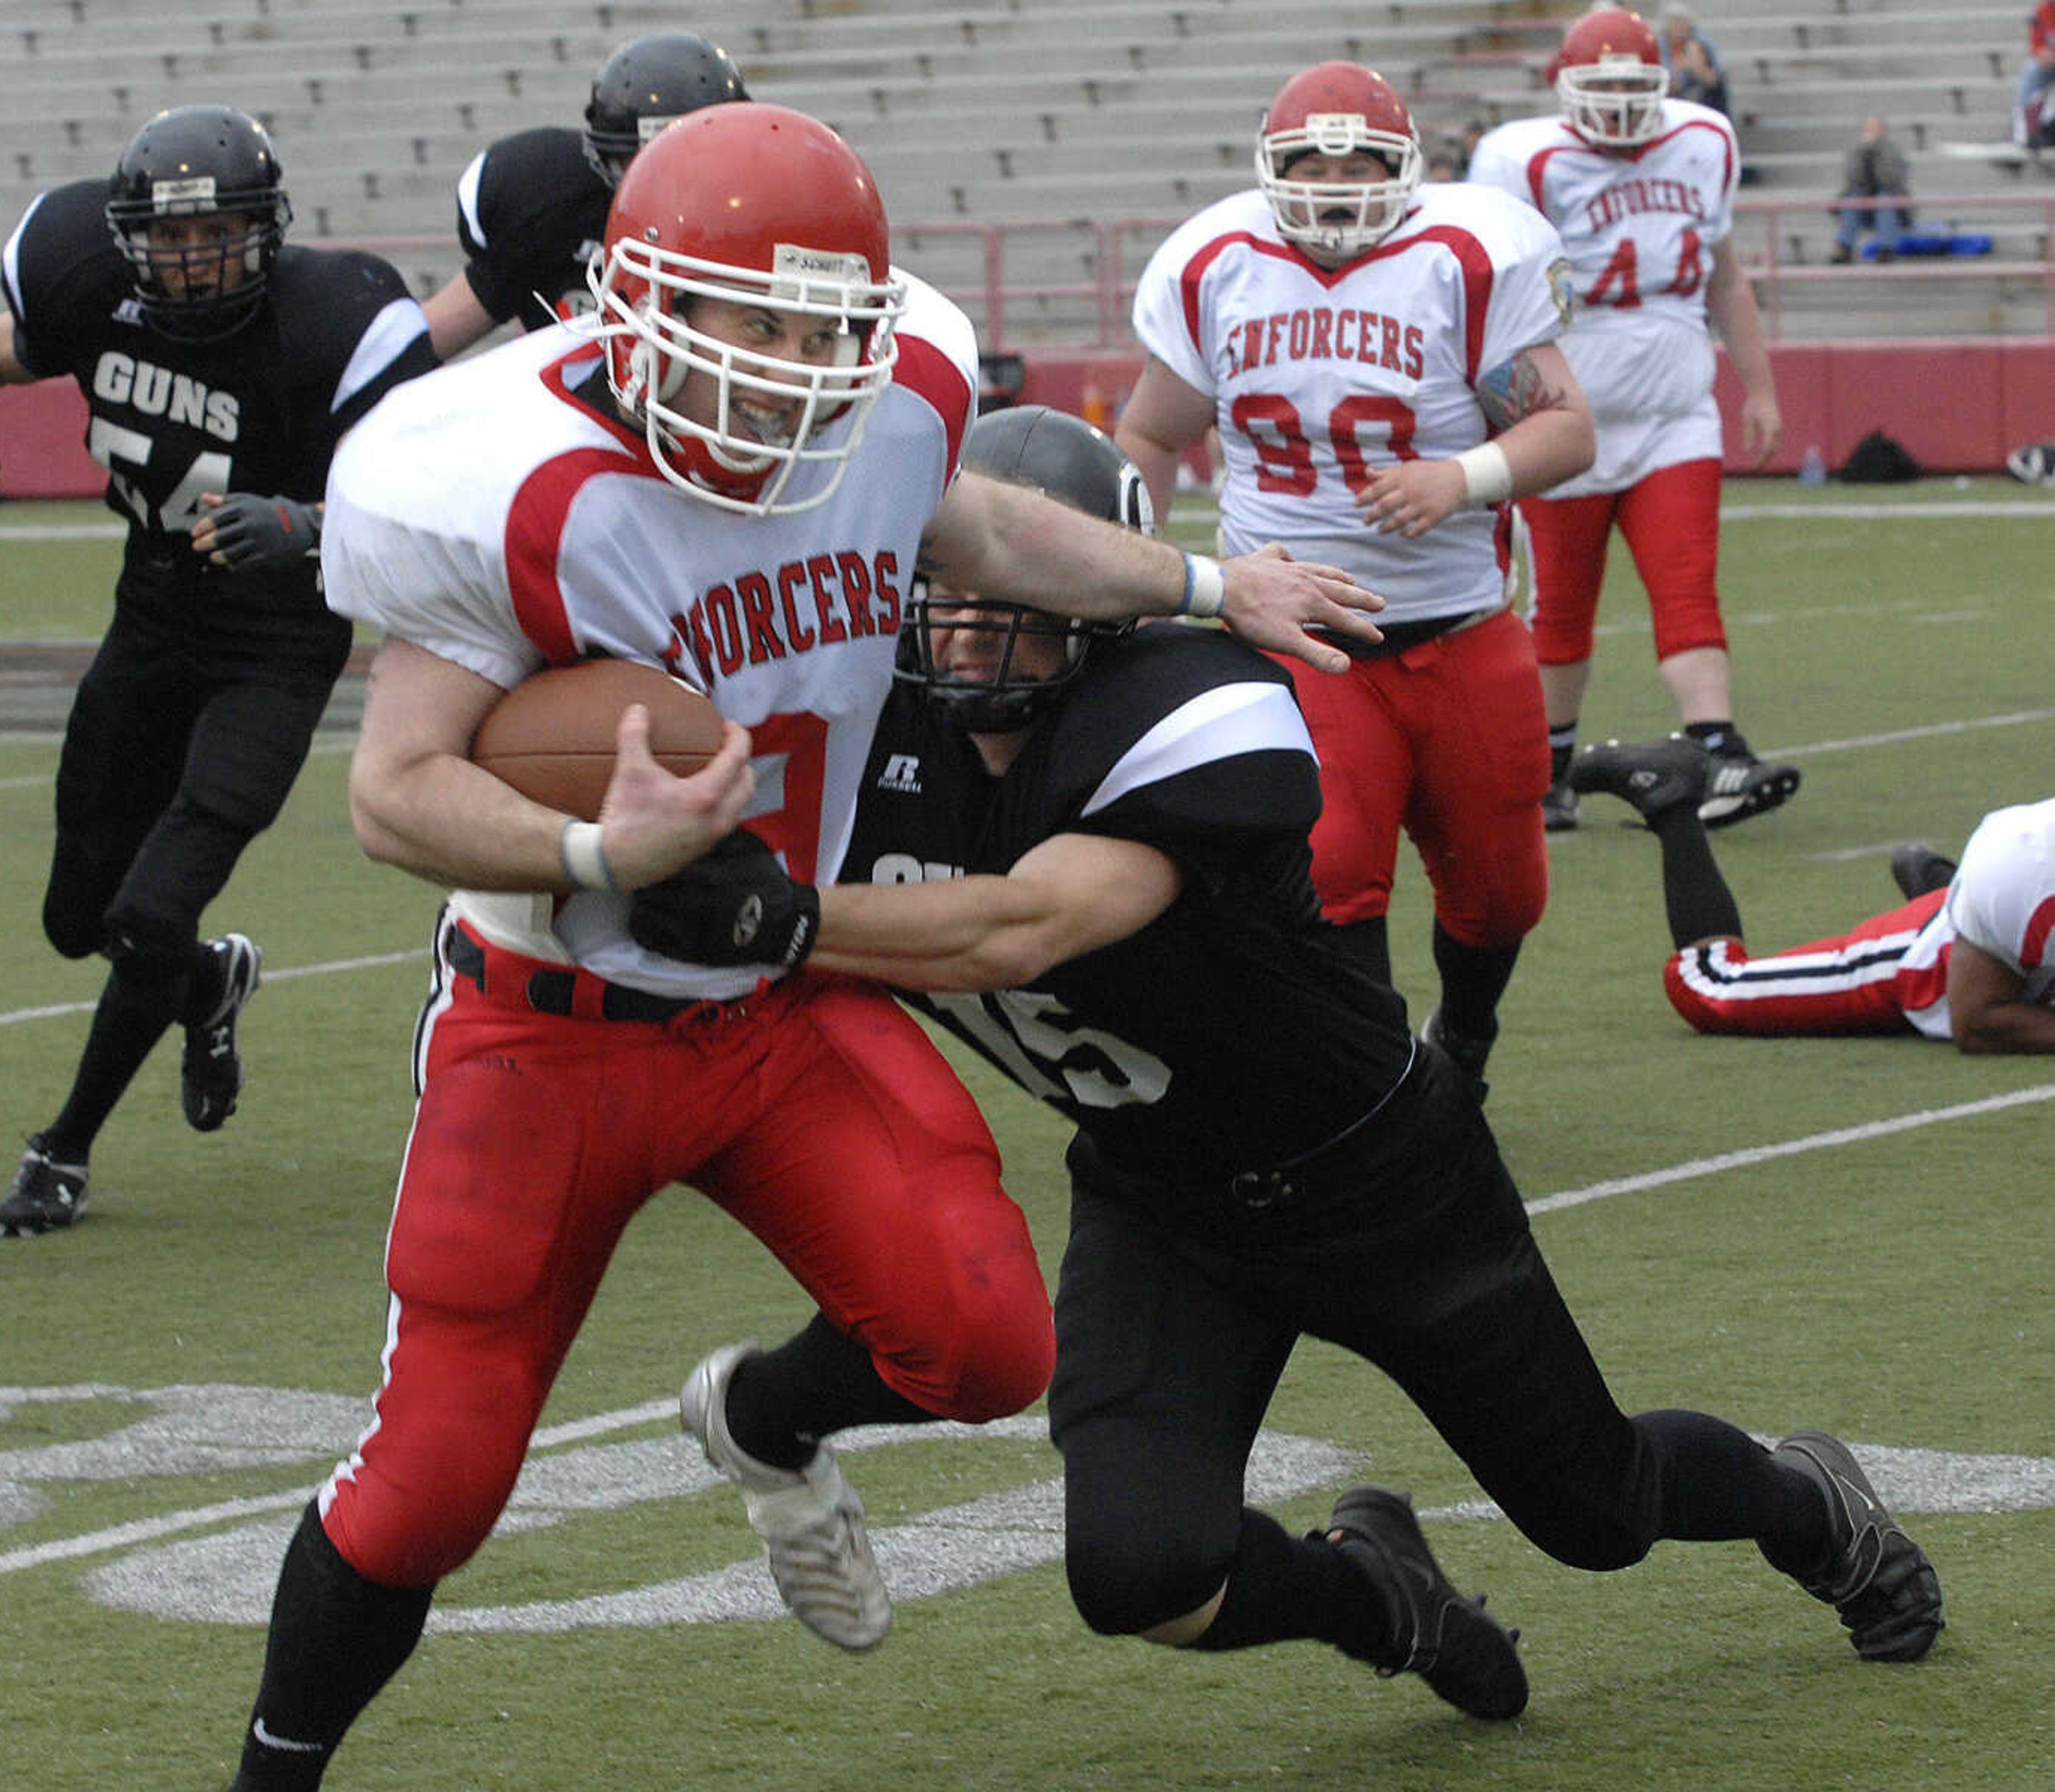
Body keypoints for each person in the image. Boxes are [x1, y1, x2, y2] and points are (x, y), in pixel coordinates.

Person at [217, 102, 1381, 1789]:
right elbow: (395, 796)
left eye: (819, 324)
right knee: (435, 1486)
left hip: (777, 1001)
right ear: (627, 299)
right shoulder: (495, 479)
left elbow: (976, 531)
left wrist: (1208, 583)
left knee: (987, 1342)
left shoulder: (890, 399)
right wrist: (588, 848)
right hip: (551, 1023)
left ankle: (765, 1418)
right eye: (745, 321)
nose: (786, 367)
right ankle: (275, 1771)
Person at [627, 406, 1945, 1723]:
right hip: (1162, 1205)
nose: (968, 637)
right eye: (946, 602)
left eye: (1010, 603)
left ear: (1102, 600)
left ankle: (1805, 1502)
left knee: (1597, 1511)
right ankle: (1382, 1599)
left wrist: (782, 918)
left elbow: (1029, 924)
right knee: (1138, 1571)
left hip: (1383, 1186)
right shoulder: (866, 741)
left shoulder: (1197, 701)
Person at [0, 105, 437, 1238]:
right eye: (167, 241)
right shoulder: (79, 277)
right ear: (124, 243)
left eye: (216, 234)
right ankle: (208, 980)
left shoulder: (335, 315)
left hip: (277, 641)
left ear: (267, 231)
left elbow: (418, 495)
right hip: (151, 617)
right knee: (82, 917)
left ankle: (61, 1149)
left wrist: (307, 523)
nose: (192, 260)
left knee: (151, 907)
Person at [1115, 61, 1596, 1086]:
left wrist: (1459, 476)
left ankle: (1464, 1034)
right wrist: (1146, 579)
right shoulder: (1214, 264)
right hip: (1303, 630)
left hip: (1459, 625)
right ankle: (1383, 1086)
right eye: (1311, 160)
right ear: (1269, 167)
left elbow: (1568, 430)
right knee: (1332, 872)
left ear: (1406, 164)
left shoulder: (1466, 257)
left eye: (1361, 158)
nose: (1336, 181)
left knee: (1504, 891)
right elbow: (1152, 433)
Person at [1470, 8, 1796, 835]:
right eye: (1602, 88)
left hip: (1675, 408)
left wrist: (1758, 388)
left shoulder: (1703, 140)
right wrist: (1493, 416)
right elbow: (1487, 303)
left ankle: (1719, 747)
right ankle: (1549, 767)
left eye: (1634, 87)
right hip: (1565, 417)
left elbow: (1724, 278)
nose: (1619, 105)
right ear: (1564, 89)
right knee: (1563, 607)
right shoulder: (1522, 159)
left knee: (1686, 583)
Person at [1572, 735, 2055, 1048]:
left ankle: (1954, 897)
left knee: (2003, 918)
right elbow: (1977, 1021)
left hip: (2010, 920)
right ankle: (1667, 792)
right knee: (1712, 988)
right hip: (1930, 966)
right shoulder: (2028, 865)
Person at [418, 29, 748, 359]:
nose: (675, 187)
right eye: (652, 162)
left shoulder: (762, 213)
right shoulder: (558, 206)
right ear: (607, 160)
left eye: (695, 160)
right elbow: (416, 350)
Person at [1832, 116, 1912, 264]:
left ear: (1884, 132)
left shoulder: (1893, 152)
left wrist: (1877, 153)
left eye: (1876, 129)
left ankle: (1886, 249)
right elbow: (1854, 180)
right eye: (1869, 129)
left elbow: (1890, 180)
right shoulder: (1857, 151)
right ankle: (1845, 248)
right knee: (1853, 199)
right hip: (1863, 204)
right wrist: (1864, 154)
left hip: (1892, 207)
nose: (1872, 133)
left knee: (1885, 199)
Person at [1662, 5, 1729, 114]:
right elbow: (1668, 82)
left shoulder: (1702, 44)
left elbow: (1715, 80)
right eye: (1674, 23)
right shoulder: (1662, 47)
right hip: (1675, 104)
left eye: (1681, 23)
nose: (1678, 27)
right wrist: (1679, 67)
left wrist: (1695, 65)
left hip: (1707, 103)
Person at [2015, 2, 2055, 149]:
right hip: (2051, 64)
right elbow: (2036, 44)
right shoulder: (2044, 10)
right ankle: (2025, 135)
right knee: (2031, 70)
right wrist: (2042, 53)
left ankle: (2048, 127)